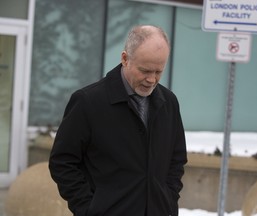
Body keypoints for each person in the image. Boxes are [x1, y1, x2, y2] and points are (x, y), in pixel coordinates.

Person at [49, 25, 187, 216]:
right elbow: (62, 161)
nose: (152, 80)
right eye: (145, 70)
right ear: (125, 59)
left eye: (158, 71)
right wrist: (89, 209)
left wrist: (168, 199)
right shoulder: (88, 102)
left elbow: (177, 159)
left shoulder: (169, 102)